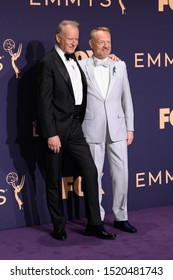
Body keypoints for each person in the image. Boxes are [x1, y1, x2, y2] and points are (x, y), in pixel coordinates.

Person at [37, 20, 116, 240]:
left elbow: (97, 65)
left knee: (90, 172)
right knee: (54, 179)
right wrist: (51, 133)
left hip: (74, 127)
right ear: (58, 38)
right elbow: (43, 102)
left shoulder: (76, 61)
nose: (74, 43)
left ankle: (94, 224)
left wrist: (113, 59)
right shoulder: (48, 63)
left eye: (76, 39)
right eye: (70, 38)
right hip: (56, 130)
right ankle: (58, 226)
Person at [80, 27, 137, 233]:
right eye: (101, 41)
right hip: (92, 127)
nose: (106, 45)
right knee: (93, 176)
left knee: (121, 174)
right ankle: (96, 219)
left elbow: (126, 98)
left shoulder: (120, 65)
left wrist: (130, 127)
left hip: (118, 127)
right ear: (91, 43)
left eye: (108, 41)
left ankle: (121, 217)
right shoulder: (80, 66)